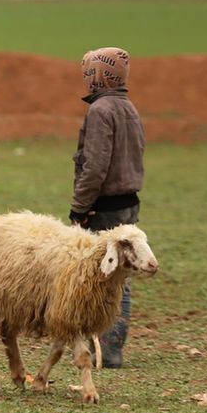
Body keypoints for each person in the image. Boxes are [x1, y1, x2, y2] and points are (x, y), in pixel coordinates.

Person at [70, 47, 145, 368]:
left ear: (99, 75)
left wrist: (79, 207)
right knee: (120, 278)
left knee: (101, 278)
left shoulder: (101, 110)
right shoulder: (129, 108)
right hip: (129, 203)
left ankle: (106, 352)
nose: (86, 78)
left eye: (88, 72)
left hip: (105, 206)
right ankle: (112, 348)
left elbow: (95, 166)